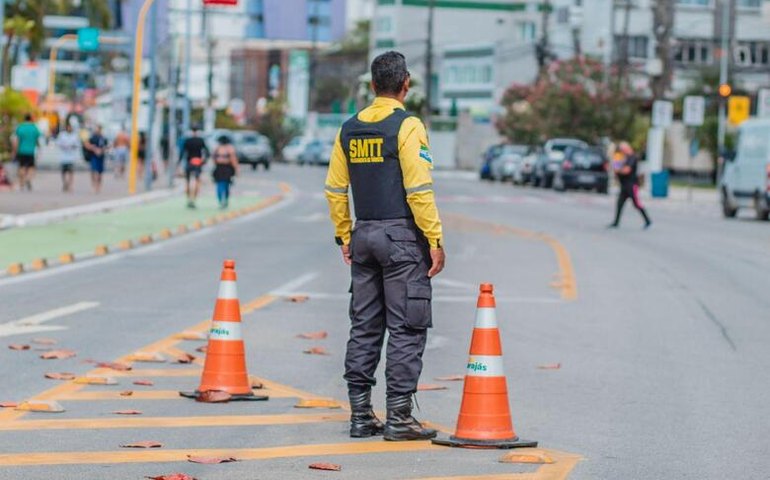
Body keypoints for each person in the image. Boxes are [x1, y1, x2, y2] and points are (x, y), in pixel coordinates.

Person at [325, 51, 446, 442]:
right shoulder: (407, 126)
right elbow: (419, 189)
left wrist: (345, 235)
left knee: (364, 326)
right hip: (402, 240)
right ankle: (399, 417)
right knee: (407, 327)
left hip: (364, 236)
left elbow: (335, 189)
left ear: (373, 85)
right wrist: (435, 239)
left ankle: (361, 415)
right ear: (405, 84)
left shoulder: (348, 128)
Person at [609, 142, 652, 229]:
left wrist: (618, 169)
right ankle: (616, 222)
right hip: (624, 185)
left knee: (636, 203)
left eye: (622, 149)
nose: (621, 151)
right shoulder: (623, 157)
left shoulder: (632, 158)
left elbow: (626, 170)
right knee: (619, 203)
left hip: (632, 185)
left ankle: (647, 220)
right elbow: (617, 168)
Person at [178, 125, 209, 209]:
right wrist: (204, 161)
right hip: (198, 163)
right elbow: (207, 152)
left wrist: (179, 163)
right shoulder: (201, 140)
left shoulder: (187, 140)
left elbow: (182, 153)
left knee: (187, 182)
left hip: (189, 162)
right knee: (197, 181)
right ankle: (194, 199)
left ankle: (188, 199)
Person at [12, 114, 41, 191]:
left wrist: (15, 151)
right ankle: (28, 178)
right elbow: (37, 140)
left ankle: (22, 183)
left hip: (21, 150)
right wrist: (39, 148)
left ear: (24, 119)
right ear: (31, 119)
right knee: (31, 167)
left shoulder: (20, 128)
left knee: (21, 167)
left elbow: (17, 140)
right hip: (31, 151)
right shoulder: (34, 128)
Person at [212, 135, 239, 209]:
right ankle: (225, 200)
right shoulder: (230, 149)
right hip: (227, 168)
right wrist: (237, 170)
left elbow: (214, 159)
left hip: (219, 168)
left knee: (220, 185)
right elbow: (234, 160)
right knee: (225, 185)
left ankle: (221, 200)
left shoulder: (217, 149)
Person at [56, 123, 81, 192]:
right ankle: (65, 183)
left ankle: (70, 185)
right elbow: (58, 143)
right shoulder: (62, 135)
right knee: (63, 172)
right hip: (63, 157)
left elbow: (77, 144)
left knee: (71, 172)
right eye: (68, 127)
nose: (69, 129)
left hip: (71, 157)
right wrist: (63, 146)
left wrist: (73, 146)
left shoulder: (75, 135)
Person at [85, 125, 109, 194]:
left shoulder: (103, 138)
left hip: (101, 157)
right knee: (94, 171)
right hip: (94, 156)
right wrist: (94, 149)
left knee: (100, 172)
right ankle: (94, 185)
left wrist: (101, 150)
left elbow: (107, 147)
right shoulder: (92, 137)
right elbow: (87, 144)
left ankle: (98, 186)